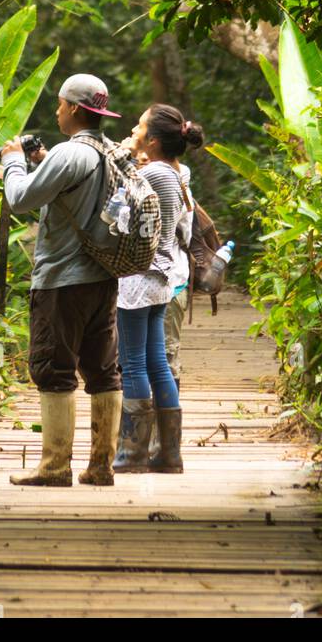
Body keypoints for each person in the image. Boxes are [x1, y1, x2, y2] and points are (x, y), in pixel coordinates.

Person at [0, 73, 123, 488]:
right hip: (101, 277)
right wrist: (42, 163)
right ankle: (101, 465)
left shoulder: (70, 154)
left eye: (59, 104)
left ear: (71, 108)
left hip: (62, 280)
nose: (55, 110)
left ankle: (53, 467)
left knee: (54, 369)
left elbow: (19, 199)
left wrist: (13, 160)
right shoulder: (107, 150)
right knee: (103, 370)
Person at [113, 104, 205, 475]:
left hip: (138, 279)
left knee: (133, 364)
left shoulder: (151, 174)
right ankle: (168, 454)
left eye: (138, 125)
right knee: (156, 363)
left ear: (152, 139)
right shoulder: (177, 174)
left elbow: (121, 219)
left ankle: (131, 455)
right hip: (164, 279)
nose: (133, 129)